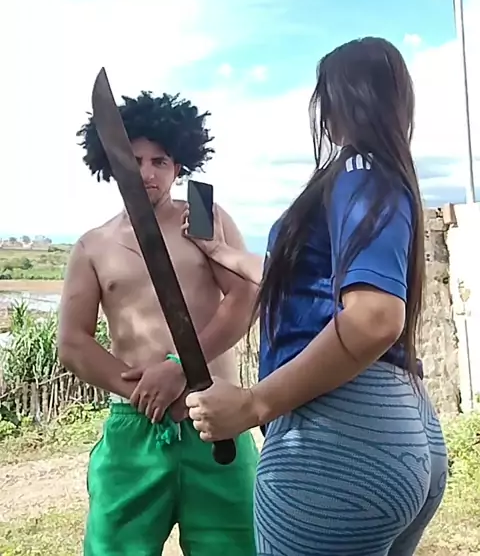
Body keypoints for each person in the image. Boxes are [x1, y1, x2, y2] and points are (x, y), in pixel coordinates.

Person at [184, 37, 448, 556]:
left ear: (334, 101)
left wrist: (255, 404)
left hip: (335, 435)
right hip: (401, 424)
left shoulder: (357, 172)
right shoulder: (383, 176)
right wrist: (221, 252)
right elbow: (300, 280)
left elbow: (374, 318)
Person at [58, 91, 259, 556]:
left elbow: (244, 299)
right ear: (112, 163)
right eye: (134, 160)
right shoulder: (93, 245)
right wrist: (143, 391)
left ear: (178, 166)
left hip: (215, 421)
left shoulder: (204, 215)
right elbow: (73, 343)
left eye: (160, 161)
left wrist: (180, 369)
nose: (146, 172)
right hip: (135, 427)